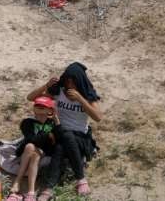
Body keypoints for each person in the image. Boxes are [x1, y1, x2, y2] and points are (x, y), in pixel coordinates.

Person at [27, 62, 102, 201]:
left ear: (79, 81)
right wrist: (46, 85)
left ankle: (48, 189)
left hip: (80, 137)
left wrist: (80, 99)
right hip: (59, 131)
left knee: (62, 145)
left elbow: (98, 117)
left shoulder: (87, 93)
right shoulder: (59, 91)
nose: (69, 84)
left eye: (72, 81)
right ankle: (81, 179)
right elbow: (31, 98)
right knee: (64, 137)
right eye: (67, 80)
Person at [7, 96, 61, 201]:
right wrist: (48, 136)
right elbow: (31, 139)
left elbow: (60, 137)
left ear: (50, 110)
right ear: (33, 108)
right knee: (31, 147)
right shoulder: (27, 122)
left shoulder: (52, 123)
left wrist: (56, 119)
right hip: (29, 150)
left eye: (43, 106)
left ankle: (18, 184)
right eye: (38, 106)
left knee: (32, 148)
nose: (40, 108)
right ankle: (30, 191)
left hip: (45, 151)